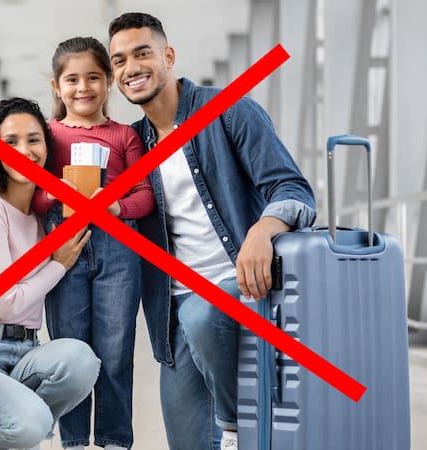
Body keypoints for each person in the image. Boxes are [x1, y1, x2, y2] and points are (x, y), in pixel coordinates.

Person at [107, 12, 317, 450]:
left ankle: (235, 425)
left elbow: (292, 188)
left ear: (168, 56)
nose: (131, 68)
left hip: (242, 284)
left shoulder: (229, 111)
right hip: (174, 308)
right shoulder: (132, 144)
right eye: (119, 60)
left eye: (142, 53)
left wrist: (263, 231)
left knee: (203, 314)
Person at [0, 97, 101, 450]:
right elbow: (5, 303)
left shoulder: (42, 219)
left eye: (33, 140)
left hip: (25, 350)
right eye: (10, 141)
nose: (23, 151)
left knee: (81, 360)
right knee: (31, 422)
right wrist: (59, 265)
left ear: (47, 148)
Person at [30, 36, 154, 450]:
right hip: (64, 247)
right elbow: (33, 199)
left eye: (93, 78)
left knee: (115, 351)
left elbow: (145, 195)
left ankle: (114, 440)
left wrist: (116, 206)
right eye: (72, 80)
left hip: (118, 247)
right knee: (70, 349)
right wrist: (56, 193)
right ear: (56, 87)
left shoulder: (125, 136)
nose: (83, 88)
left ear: (108, 82)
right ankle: (74, 441)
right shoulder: (48, 136)